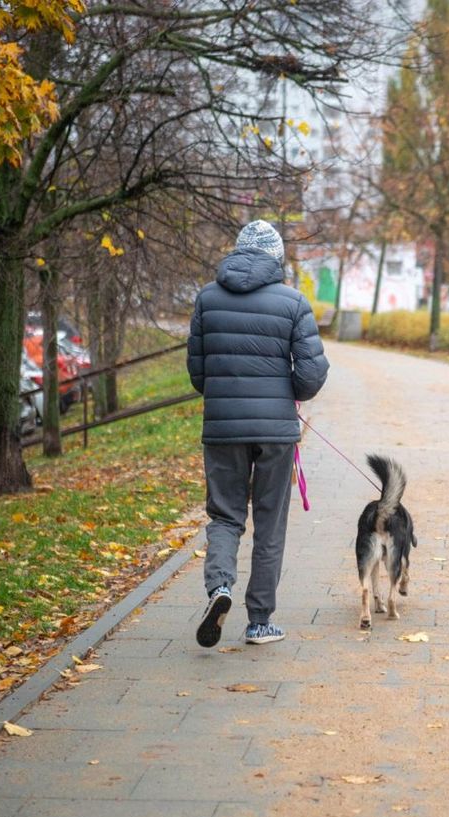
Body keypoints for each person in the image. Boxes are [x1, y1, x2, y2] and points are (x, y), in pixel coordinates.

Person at [187, 219, 328, 647]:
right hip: (275, 433)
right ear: (277, 258)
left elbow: (198, 373)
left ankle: (220, 587)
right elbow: (310, 375)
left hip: (223, 428)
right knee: (270, 523)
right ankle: (260, 621)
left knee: (225, 516)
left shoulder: (207, 300)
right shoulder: (293, 302)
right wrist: (288, 390)